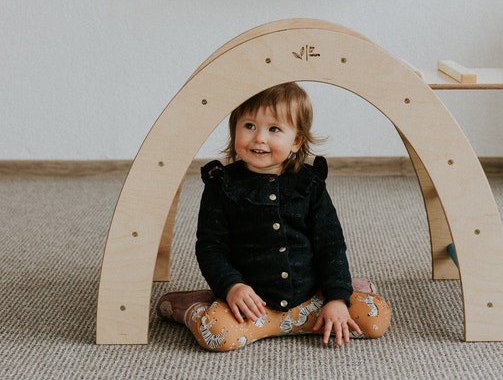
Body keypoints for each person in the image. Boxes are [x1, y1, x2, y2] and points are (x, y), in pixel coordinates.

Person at [156, 82, 391, 352]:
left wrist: (337, 298)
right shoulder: (222, 185)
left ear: (297, 141)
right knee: (217, 334)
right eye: (249, 126)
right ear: (234, 129)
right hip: (252, 304)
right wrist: (231, 286)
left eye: (274, 129)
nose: (259, 138)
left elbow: (330, 244)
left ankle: (345, 288)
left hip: (311, 299)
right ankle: (192, 306)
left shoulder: (309, 184)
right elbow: (211, 246)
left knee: (375, 319)